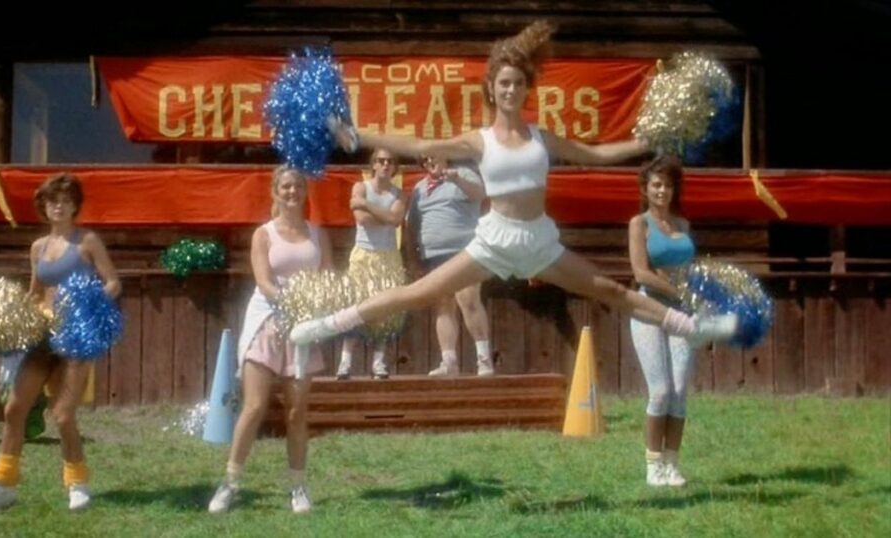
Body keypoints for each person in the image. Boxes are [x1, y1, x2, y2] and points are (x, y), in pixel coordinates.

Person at [290, 20, 737, 354]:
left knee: (613, 291)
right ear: (492, 88)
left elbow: (596, 154)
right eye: (504, 83)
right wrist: (356, 136)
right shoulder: (478, 140)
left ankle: (693, 328)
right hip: (494, 240)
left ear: (526, 88)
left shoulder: (542, 137)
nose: (511, 90)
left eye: (518, 83)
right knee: (418, 293)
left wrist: (645, 141)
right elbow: (420, 144)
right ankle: (324, 326)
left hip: (539, 241)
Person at [0, 173, 120, 514]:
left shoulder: (88, 241)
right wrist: (8, 319)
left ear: (75, 206)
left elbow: (112, 283)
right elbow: (36, 292)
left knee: (63, 415)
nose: (59, 207)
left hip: (76, 337)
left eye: (65, 201)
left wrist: (90, 306)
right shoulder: (38, 247)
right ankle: (2, 486)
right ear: (44, 207)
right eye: (53, 201)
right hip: (42, 336)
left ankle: (77, 484)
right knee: (14, 409)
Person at [208, 166, 333, 514]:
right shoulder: (263, 235)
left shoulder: (318, 235)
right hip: (267, 323)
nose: (292, 192)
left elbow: (326, 279)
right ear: (276, 192)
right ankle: (230, 483)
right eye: (286, 187)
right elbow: (264, 282)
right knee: (254, 407)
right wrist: (292, 304)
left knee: (296, 411)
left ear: (305, 192)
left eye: (298, 186)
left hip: (304, 329)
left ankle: (298, 487)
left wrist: (314, 308)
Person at [627, 155, 696, 487]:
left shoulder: (683, 225)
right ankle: (653, 465)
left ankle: (672, 464)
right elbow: (641, 272)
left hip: (683, 312)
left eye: (668, 185)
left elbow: (689, 269)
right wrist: (677, 291)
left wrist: (698, 293)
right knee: (660, 391)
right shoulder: (638, 224)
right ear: (645, 188)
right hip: (649, 310)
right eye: (656, 184)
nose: (662, 191)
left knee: (679, 391)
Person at [404, 155, 493, 376]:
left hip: (465, 251)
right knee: (443, 305)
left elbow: (479, 194)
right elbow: (411, 226)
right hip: (433, 255)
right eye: (425, 159)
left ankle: (484, 359)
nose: (430, 161)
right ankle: (449, 362)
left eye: (434, 155)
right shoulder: (419, 188)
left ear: (445, 156)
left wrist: (455, 179)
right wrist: (414, 260)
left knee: (468, 300)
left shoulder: (463, 174)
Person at [335, 148, 407, 380]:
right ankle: (345, 361)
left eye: (390, 161)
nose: (385, 165)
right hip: (363, 254)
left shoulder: (399, 194)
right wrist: (380, 214)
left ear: (394, 167)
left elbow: (395, 219)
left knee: (386, 309)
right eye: (381, 160)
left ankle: (378, 361)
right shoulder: (360, 187)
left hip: (389, 255)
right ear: (373, 164)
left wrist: (365, 205)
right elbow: (362, 219)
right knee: (356, 306)